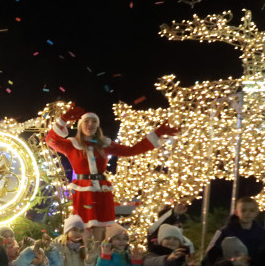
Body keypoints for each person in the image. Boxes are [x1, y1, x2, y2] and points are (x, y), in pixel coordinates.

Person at [45, 102, 176, 240]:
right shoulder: (72, 145)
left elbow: (132, 150)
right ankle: (86, 257)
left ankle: (99, 256)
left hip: (101, 190)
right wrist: (63, 119)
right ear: (80, 125)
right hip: (83, 191)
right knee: (83, 228)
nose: (90, 124)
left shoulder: (105, 144)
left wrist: (157, 134)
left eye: (94, 121)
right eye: (87, 121)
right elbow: (51, 140)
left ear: (97, 125)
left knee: (100, 231)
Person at [203, 197, 265, 266]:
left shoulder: (264, 234)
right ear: (236, 212)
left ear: (256, 212)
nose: (247, 213)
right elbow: (210, 255)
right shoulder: (224, 232)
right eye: (243, 210)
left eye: (252, 210)